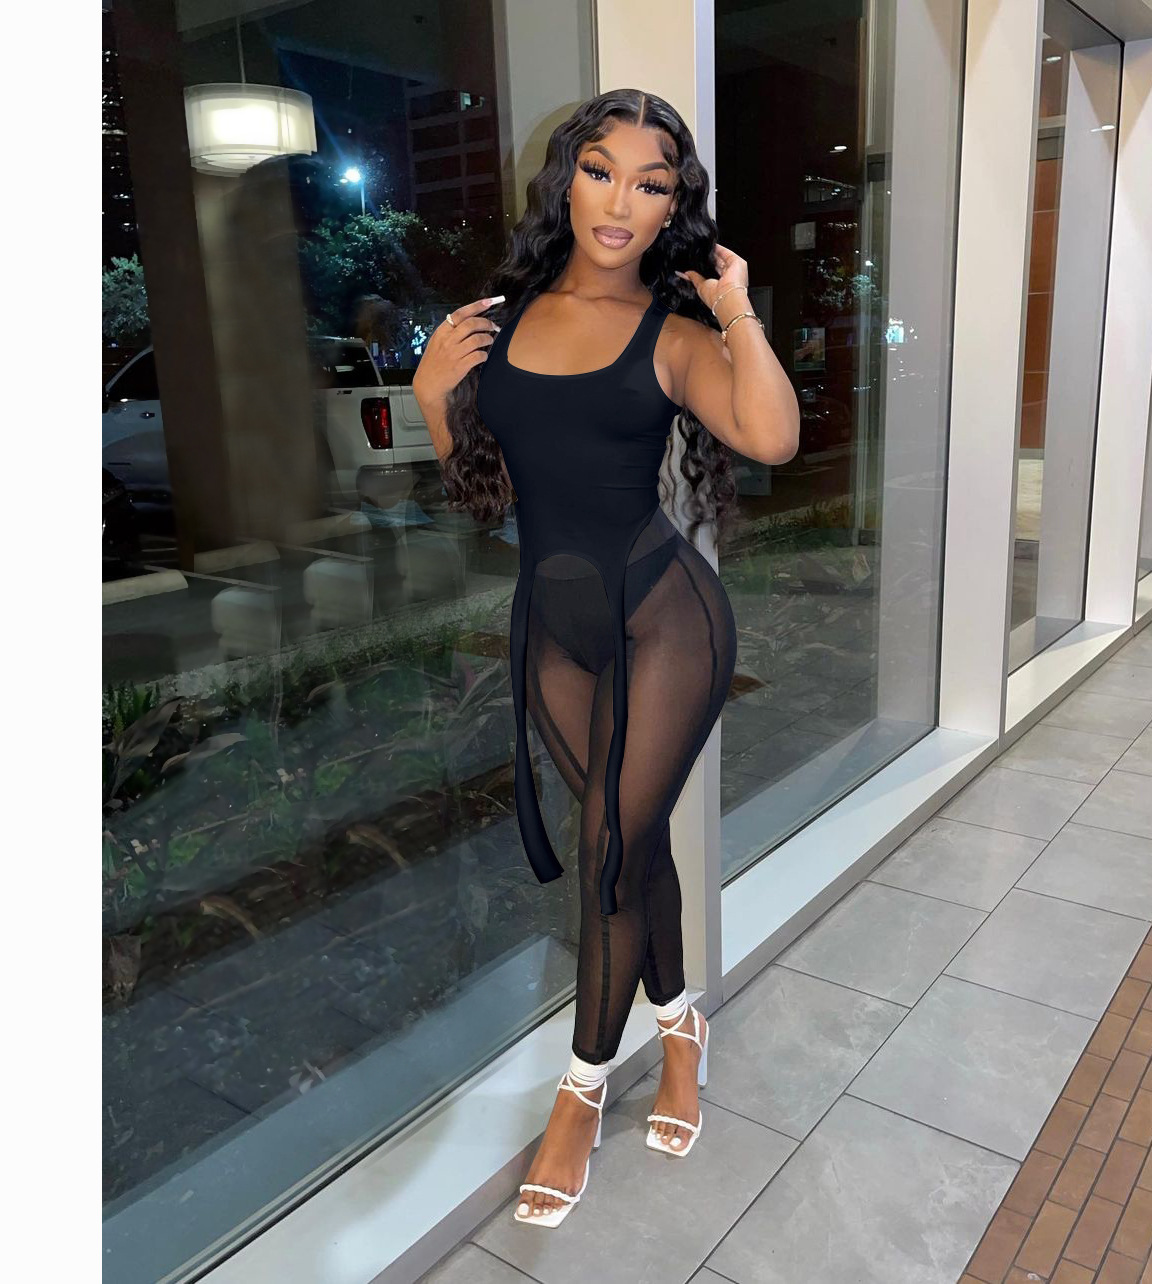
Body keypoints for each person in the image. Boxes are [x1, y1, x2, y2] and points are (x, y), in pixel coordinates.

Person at [412, 88, 799, 1228]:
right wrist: (435, 393)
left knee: (608, 856)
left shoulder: (674, 335)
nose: (621, 200)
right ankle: (682, 1032)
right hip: (555, 625)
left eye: (651, 182)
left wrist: (737, 312)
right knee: (630, 849)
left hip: (665, 620)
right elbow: (486, 494)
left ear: (676, 205)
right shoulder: (505, 321)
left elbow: (772, 435)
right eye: (600, 170)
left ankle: (580, 1094)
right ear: (565, 180)